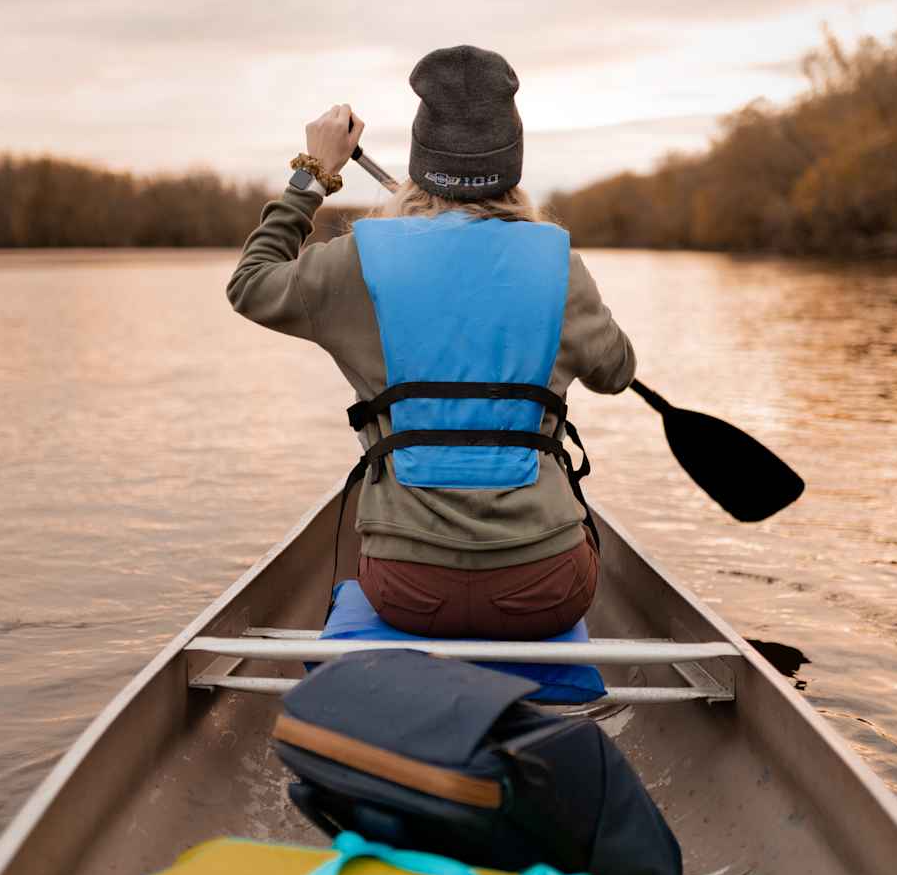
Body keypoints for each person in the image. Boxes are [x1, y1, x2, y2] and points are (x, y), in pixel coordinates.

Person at [227, 45, 635, 641]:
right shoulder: (558, 264)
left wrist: (312, 175)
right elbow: (618, 371)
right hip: (546, 587)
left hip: (408, 589)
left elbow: (250, 283)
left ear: (422, 162)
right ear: (511, 163)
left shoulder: (359, 262)